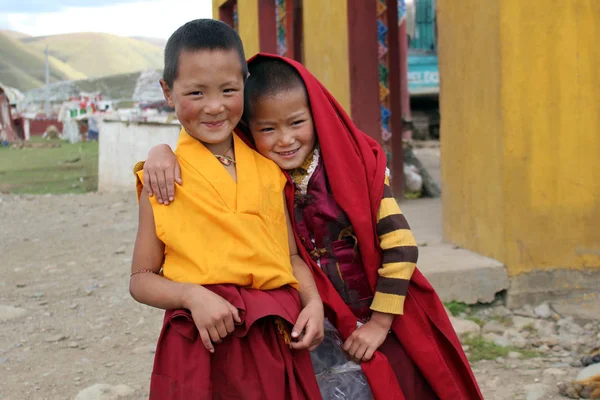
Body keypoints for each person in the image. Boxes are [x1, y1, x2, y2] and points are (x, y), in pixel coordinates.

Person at [141, 53, 483, 400]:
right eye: (268, 129)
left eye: (296, 123)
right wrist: (161, 152)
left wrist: (380, 324)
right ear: (250, 129)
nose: (285, 140)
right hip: (317, 319)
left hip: (381, 312)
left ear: (317, 116)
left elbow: (402, 246)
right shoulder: (263, 174)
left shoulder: (353, 168)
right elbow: (209, 140)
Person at [129, 21, 323, 399]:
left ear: (245, 85)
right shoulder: (162, 179)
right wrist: (190, 296)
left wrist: (313, 302)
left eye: (229, 91)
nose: (214, 106)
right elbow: (140, 277)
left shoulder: (268, 171)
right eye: (196, 92)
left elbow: (290, 257)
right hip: (203, 342)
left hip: (272, 336)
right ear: (168, 92)